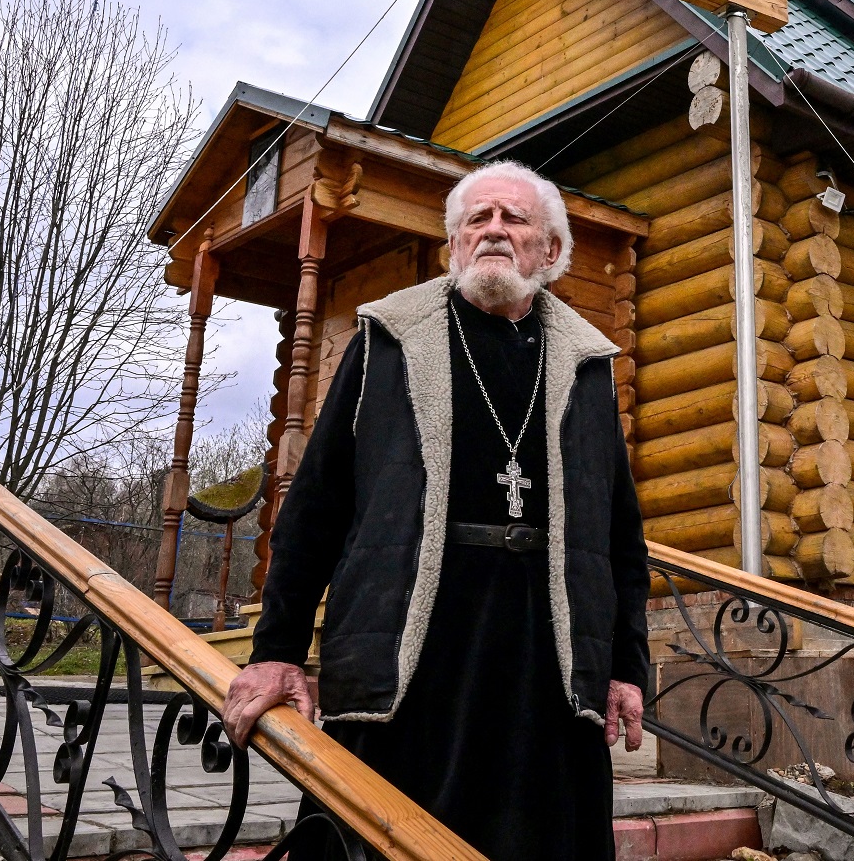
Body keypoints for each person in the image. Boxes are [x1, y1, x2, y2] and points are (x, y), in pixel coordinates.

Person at [221, 160, 650, 860]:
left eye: (514, 219)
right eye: (476, 219)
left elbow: (619, 538)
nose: (494, 231)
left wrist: (626, 665)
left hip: (547, 658)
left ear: (550, 251)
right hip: (410, 646)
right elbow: (317, 508)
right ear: (453, 245)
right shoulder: (388, 339)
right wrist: (276, 653)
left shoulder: (586, 363)